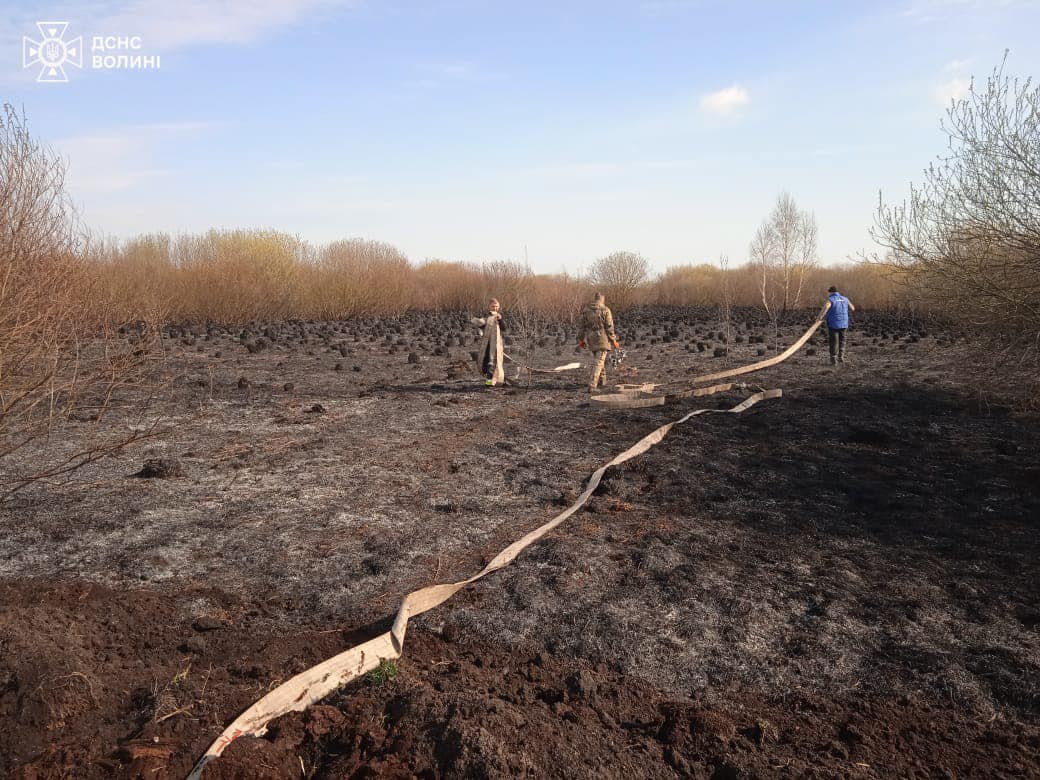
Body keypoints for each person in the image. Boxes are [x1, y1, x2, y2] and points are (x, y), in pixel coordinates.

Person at [577, 292, 620, 392]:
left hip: (591, 339)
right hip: (602, 339)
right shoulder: (605, 310)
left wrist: (581, 339)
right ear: (602, 299)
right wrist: (613, 340)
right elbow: (609, 327)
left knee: (600, 360)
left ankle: (602, 381)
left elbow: (582, 327)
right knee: (599, 362)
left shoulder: (586, 310)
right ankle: (592, 385)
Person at [471, 298, 506, 386]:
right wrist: (479, 322)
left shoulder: (500, 317)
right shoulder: (486, 317)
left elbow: (504, 328)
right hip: (486, 345)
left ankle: (491, 382)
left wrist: (500, 320)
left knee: (493, 362)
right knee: (485, 363)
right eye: (493, 306)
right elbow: (479, 324)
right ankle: (490, 379)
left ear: (499, 307)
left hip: (497, 345)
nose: (495, 308)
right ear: (489, 307)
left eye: (496, 306)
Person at [818, 285, 856, 365]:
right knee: (842, 340)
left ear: (830, 292)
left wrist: (820, 317)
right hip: (844, 323)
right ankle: (841, 357)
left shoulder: (831, 300)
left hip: (834, 324)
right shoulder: (845, 299)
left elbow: (826, 307)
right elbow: (853, 308)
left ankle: (834, 359)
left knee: (834, 341)